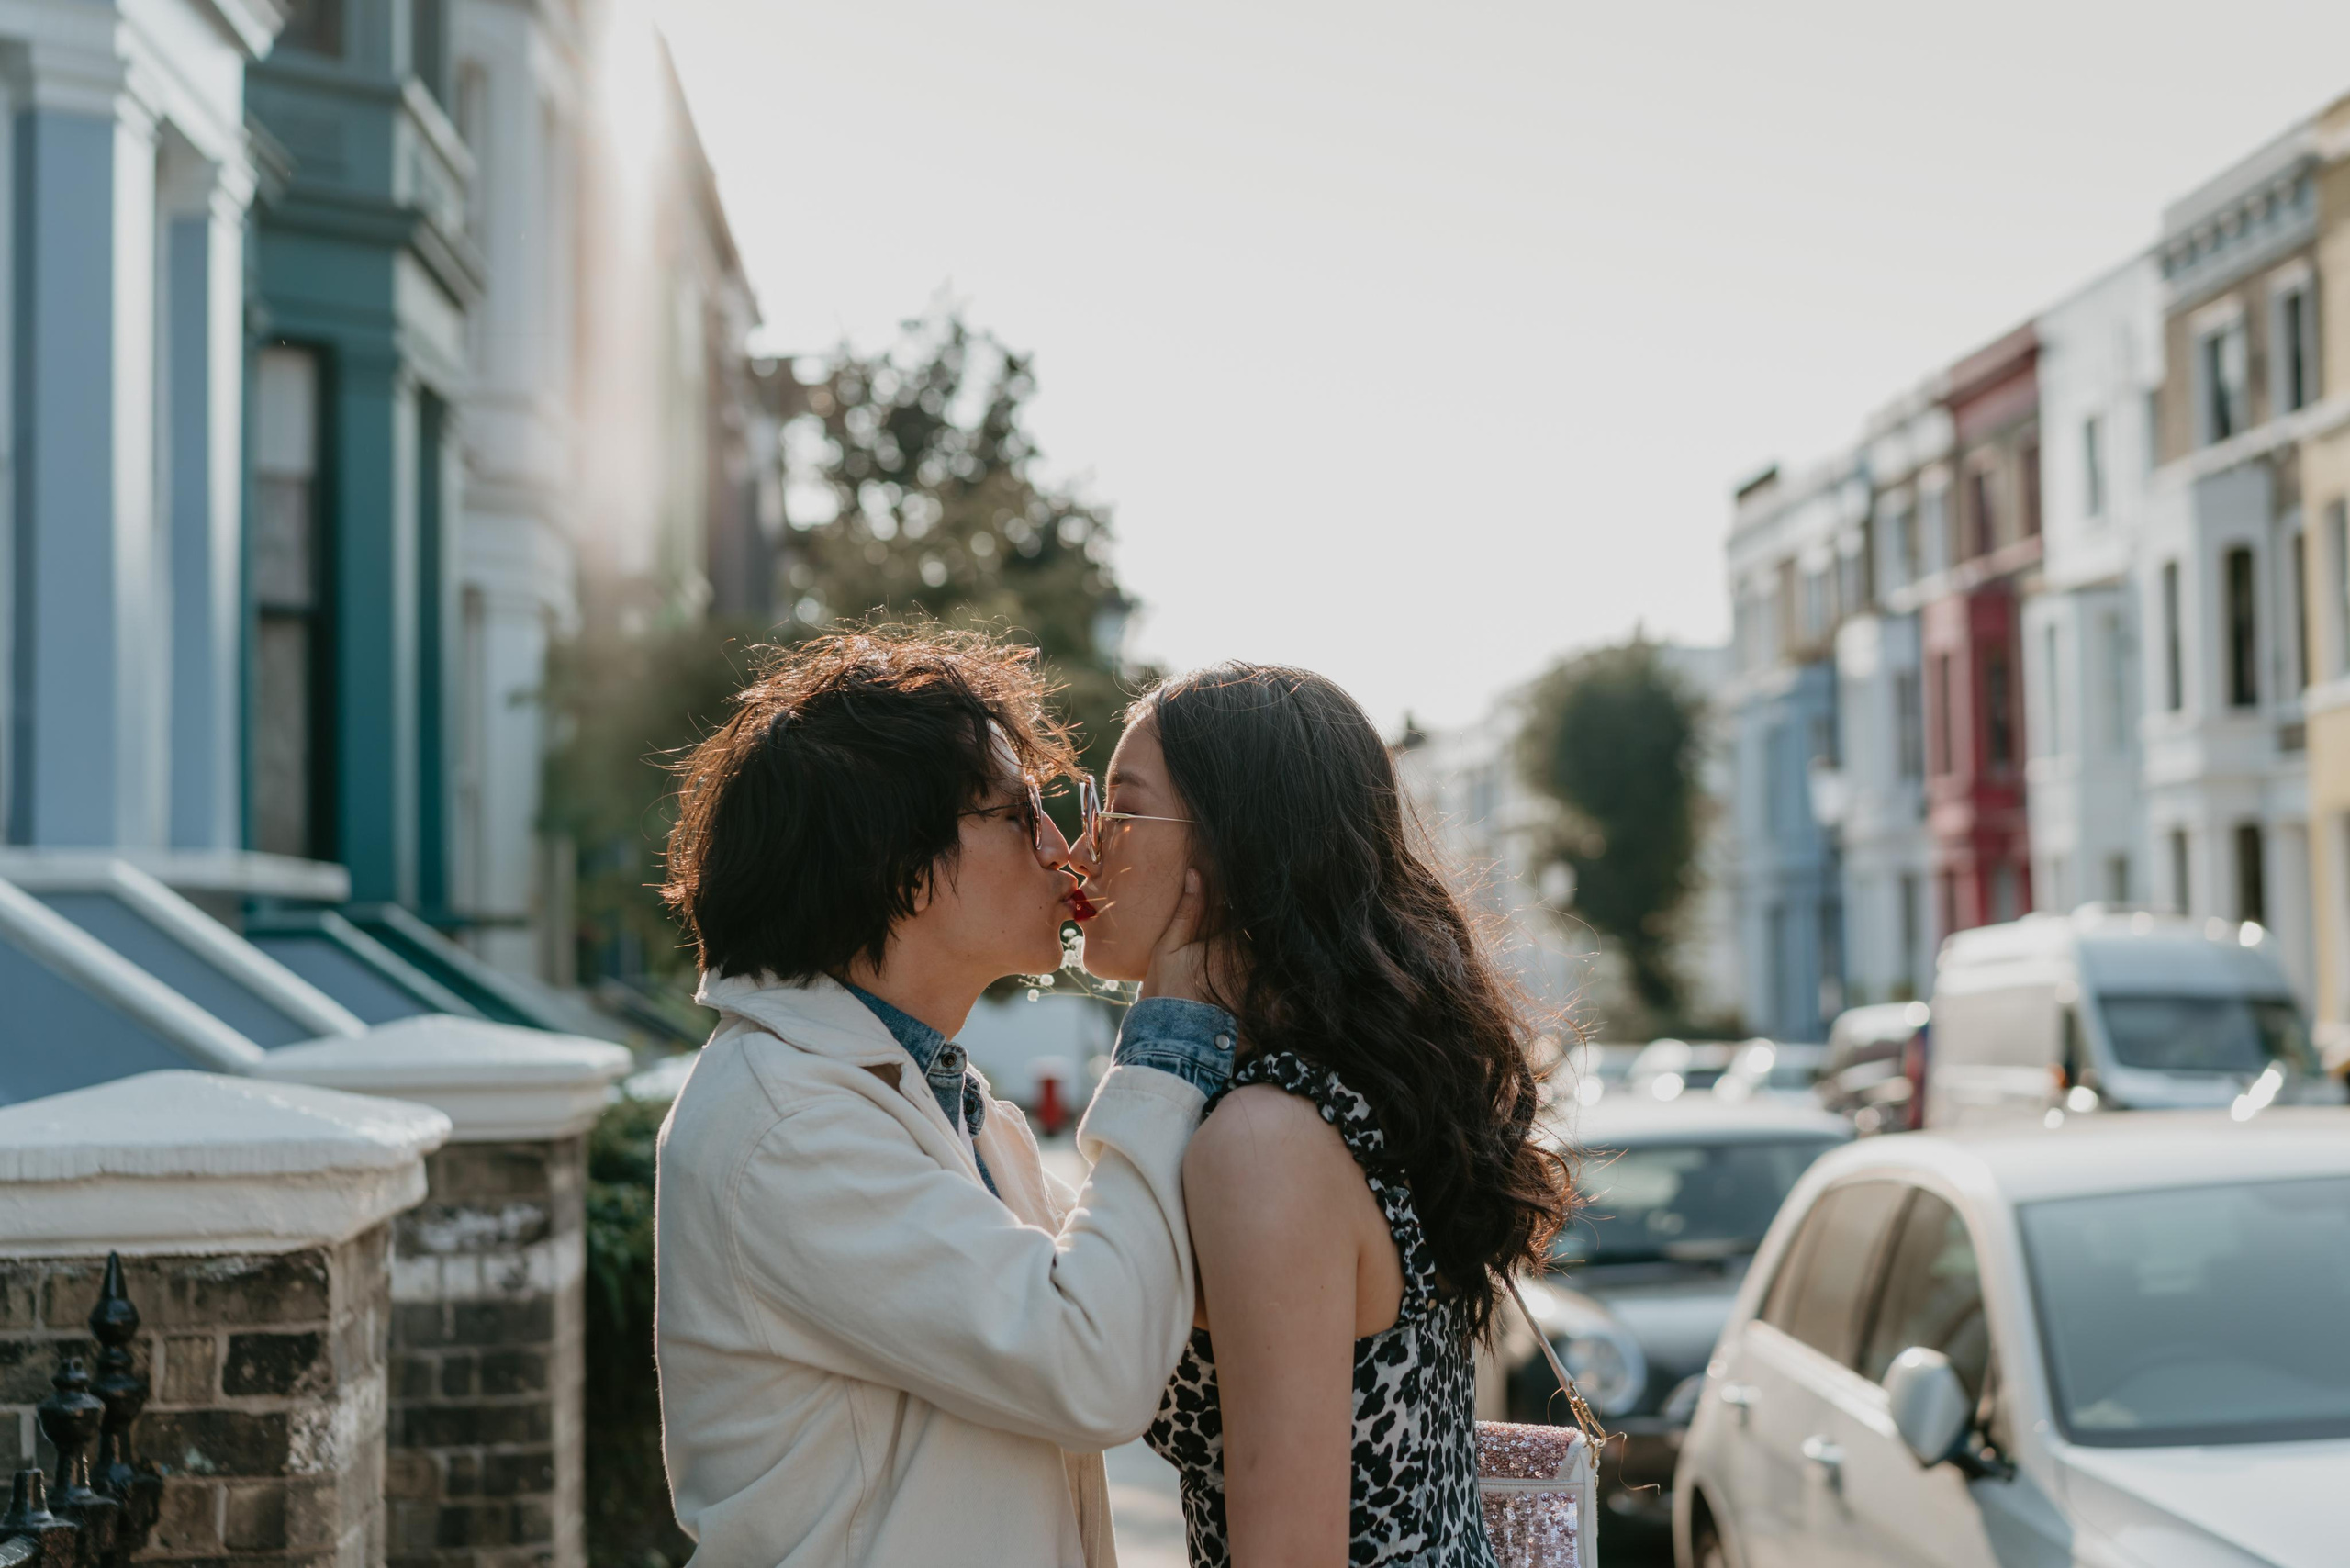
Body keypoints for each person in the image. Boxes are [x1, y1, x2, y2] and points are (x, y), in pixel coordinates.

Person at [652, 627, 1237, 1567]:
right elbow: (1094, 1367)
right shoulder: (791, 1122)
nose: (1061, 849)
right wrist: (1170, 1031)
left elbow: (1131, 1303)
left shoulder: (929, 1095)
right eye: (1016, 814)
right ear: (902, 865)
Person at [1072, 662, 1575, 1568]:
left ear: (1227, 850)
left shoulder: (1264, 1142)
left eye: (1120, 805)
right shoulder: (1323, 1095)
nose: (1085, 846)